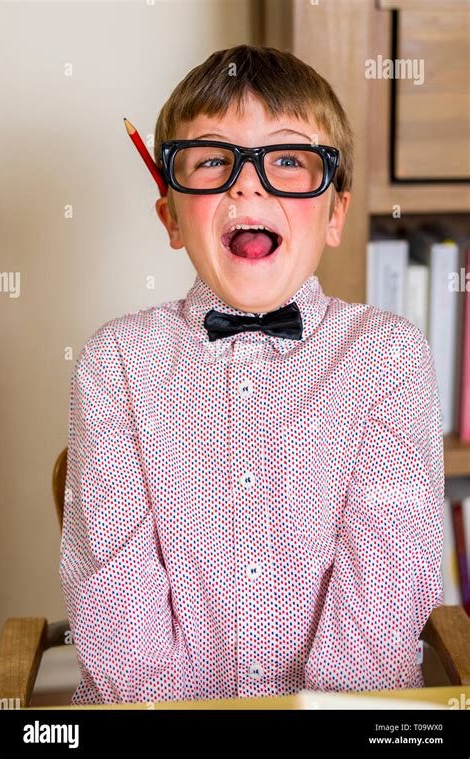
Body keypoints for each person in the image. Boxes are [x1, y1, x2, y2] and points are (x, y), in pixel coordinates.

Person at [59, 45, 444, 704]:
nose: (248, 183)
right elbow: (116, 609)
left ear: (335, 213)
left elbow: (383, 593)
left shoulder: (389, 358)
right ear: (172, 217)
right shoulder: (114, 364)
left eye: (288, 160)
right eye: (212, 160)